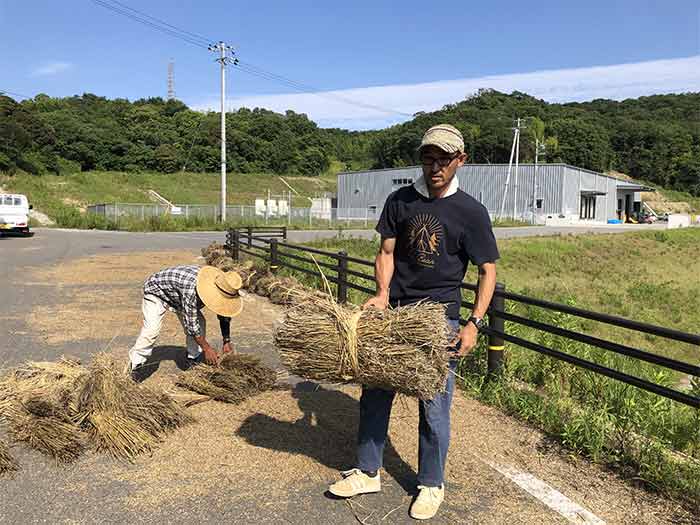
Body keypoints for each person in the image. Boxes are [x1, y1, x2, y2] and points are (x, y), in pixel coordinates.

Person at [328, 124, 499, 520]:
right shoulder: (400, 200)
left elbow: (486, 271)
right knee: (375, 392)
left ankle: (430, 483)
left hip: (440, 318)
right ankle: (368, 471)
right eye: (428, 157)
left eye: (444, 158)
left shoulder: (470, 212)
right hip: (396, 314)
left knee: (434, 405)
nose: (435, 166)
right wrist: (383, 295)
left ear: (461, 160)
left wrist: (473, 323)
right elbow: (385, 252)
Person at [126, 265, 243, 378]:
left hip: (178, 296)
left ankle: (193, 359)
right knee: (152, 330)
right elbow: (191, 325)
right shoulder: (192, 288)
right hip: (156, 291)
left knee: (200, 324)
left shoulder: (225, 285)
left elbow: (223, 314)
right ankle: (135, 366)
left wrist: (226, 341)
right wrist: (207, 348)